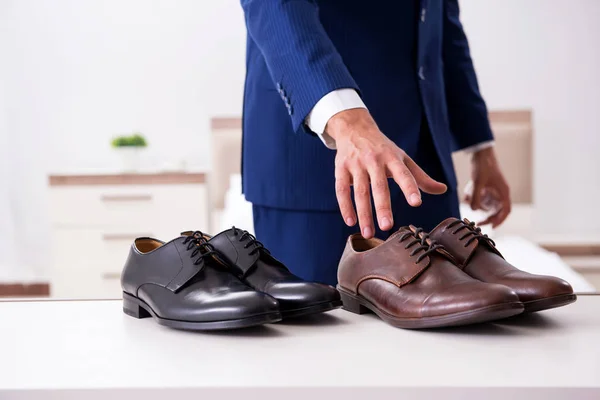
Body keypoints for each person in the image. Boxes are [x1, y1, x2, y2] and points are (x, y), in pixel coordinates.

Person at [239, 0, 511, 285]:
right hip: (316, 167)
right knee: (322, 325)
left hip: (426, 169)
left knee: (456, 320)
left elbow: (444, 27)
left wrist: (480, 148)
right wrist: (346, 121)